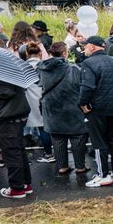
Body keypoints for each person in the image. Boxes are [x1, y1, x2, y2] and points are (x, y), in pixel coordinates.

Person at [77, 35, 113, 187]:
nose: (84, 48)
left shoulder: (88, 63)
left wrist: (82, 104)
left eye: (86, 46)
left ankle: (103, 174)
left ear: (92, 46)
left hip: (97, 109)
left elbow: (87, 87)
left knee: (99, 143)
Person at [37, 42, 88, 178]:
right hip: (71, 107)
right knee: (77, 137)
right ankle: (80, 166)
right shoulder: (73, 69)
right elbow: (80, 87)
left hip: (52, 108)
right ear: (64, 53)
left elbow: (39, 85)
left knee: (57, 137)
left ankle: (62, 166)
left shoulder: (42, 69)